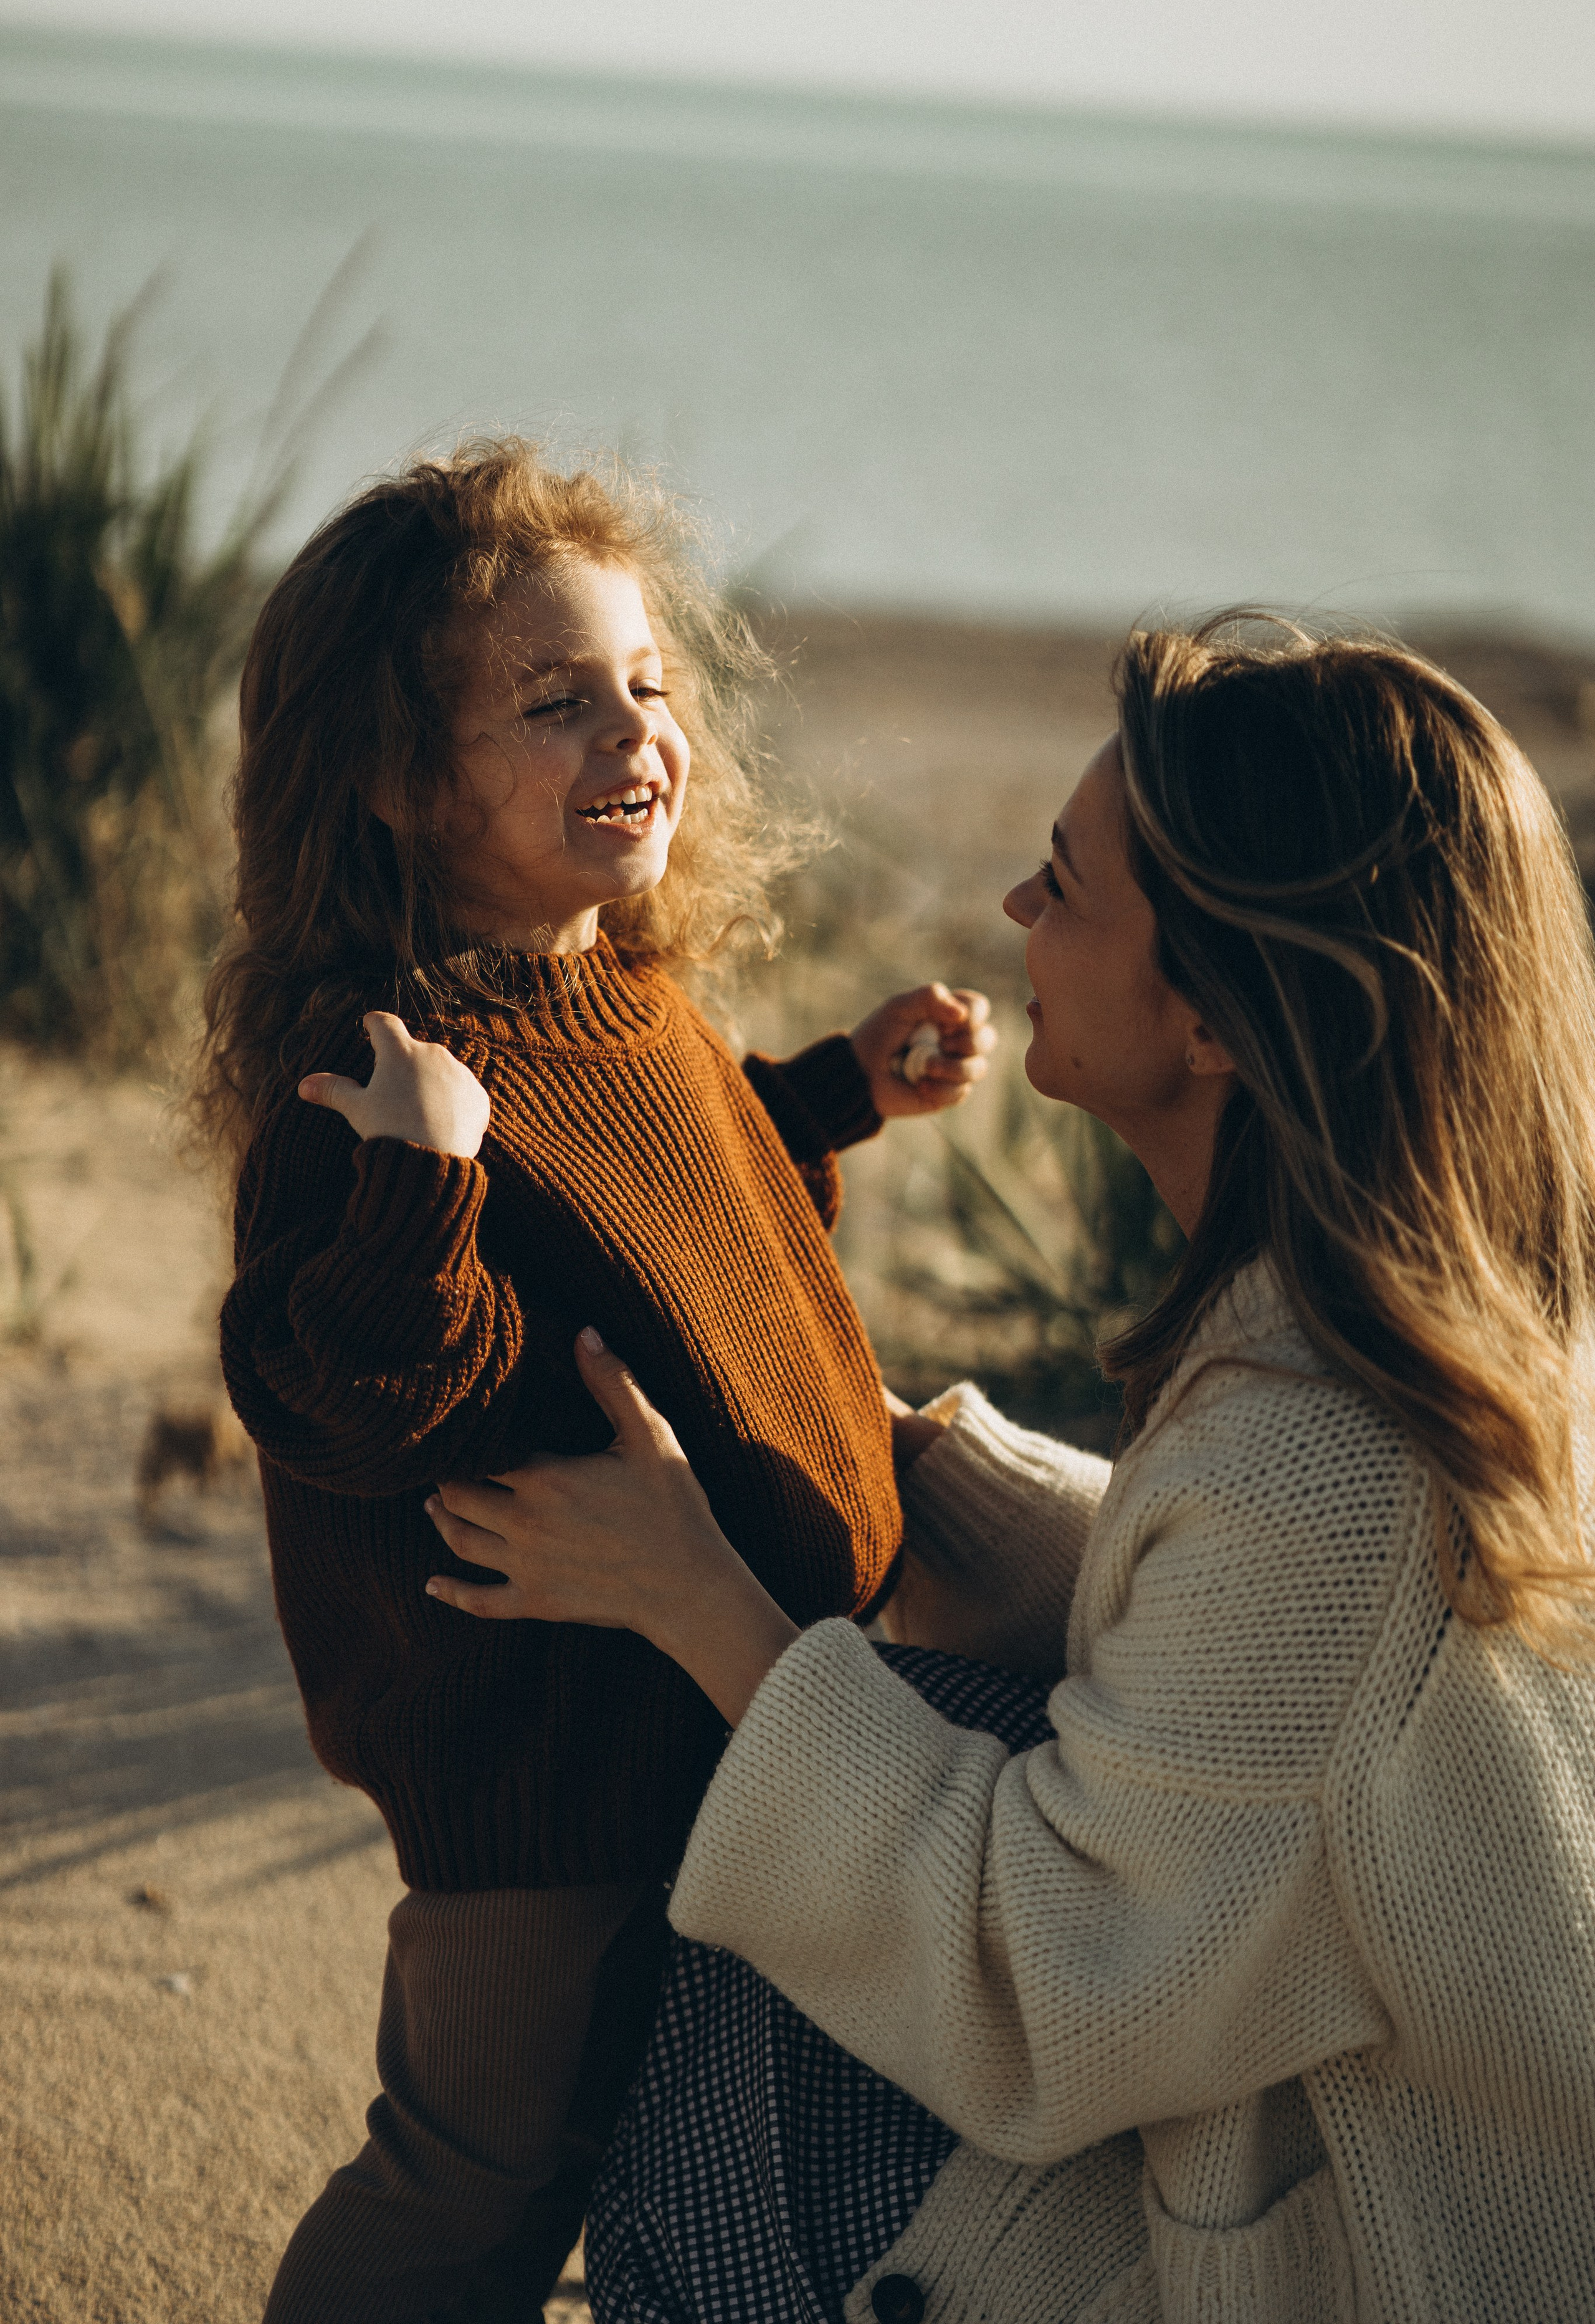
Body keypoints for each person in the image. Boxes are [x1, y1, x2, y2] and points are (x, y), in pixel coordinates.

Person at [424, 618, 1595, 2324]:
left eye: (1067, 883)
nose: (1017, 918)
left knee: (728, 2015)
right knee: (886, 1760)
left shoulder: (1320, 1466)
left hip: (1363, 2259)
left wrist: (707, 1603)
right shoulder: (1445, 1337)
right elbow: (1254, 1686)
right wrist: (884, 1462)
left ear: (1216, 1014)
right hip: (1342, 2136)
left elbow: (1053, 1983)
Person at [195, 437, 994, 2324]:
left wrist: (830, 1096)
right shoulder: (380, 1078)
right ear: (398, 781)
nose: (631, 733)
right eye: (554, 705)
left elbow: (668, 1210)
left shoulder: (622, 997)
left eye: (645, 685)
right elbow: (355, 1398)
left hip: (728, 1731)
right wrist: (416, 1178)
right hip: (541, 1796)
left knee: (687, 2146)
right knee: (472, 2181)